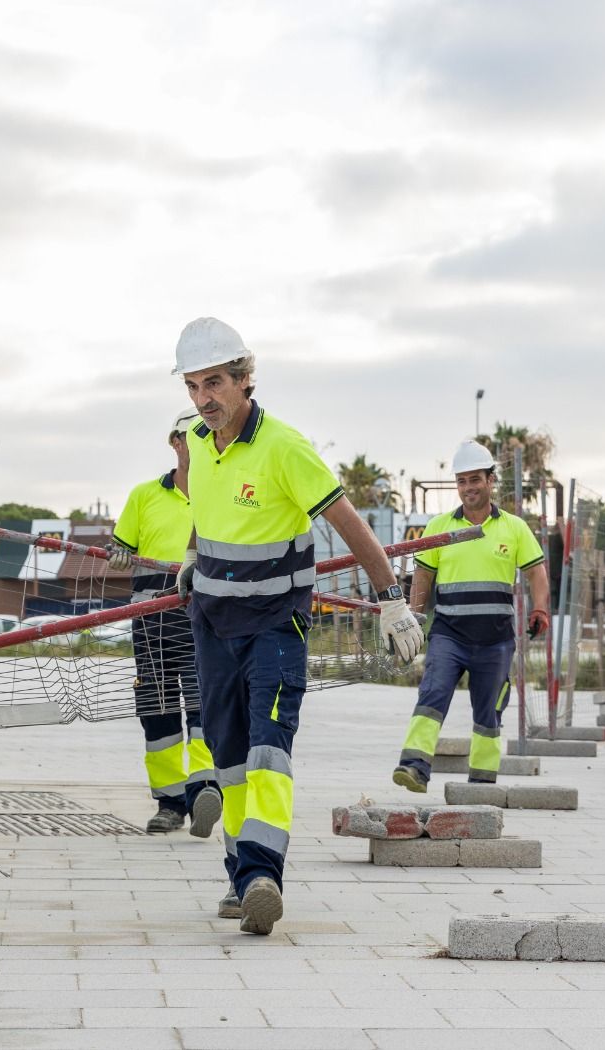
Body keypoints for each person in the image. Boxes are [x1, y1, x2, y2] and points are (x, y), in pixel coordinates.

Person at [173, 316, 423, 936]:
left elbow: (348, 521)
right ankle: (239, 874)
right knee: (227, 756)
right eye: (194, 386)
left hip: (274, 627)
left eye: (215, 384)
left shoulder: (284, 446)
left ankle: (262, 874)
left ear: (244, 380)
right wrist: (191, 556)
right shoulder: (197, 444)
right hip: (212, 623)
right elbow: (204, 513)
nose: (205, 399)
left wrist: (391, 599)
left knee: (267, 750)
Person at [392, 440, 551, 792]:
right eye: (462, 481)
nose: (468, 487)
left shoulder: (514, 528)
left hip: (495, 641)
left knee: (489, 711)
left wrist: (540, 608)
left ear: (490, 480)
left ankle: (481, 782)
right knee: (432, 693)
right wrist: (412, 622)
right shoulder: (439, 528)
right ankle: (414, 766)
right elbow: (423, 579)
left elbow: (537, 573)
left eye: (475, 479)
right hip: (449, 635)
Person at [107, 408, 220, 836]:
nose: (198, 443)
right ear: (175, 443)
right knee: (156, 712)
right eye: (190, 437)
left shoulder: (222, 493)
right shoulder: (144, 496)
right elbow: (122, 547)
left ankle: (206, 788)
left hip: (204, 617)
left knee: (204, 704)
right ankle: (170, 803)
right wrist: (117, 552)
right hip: (152, 623)